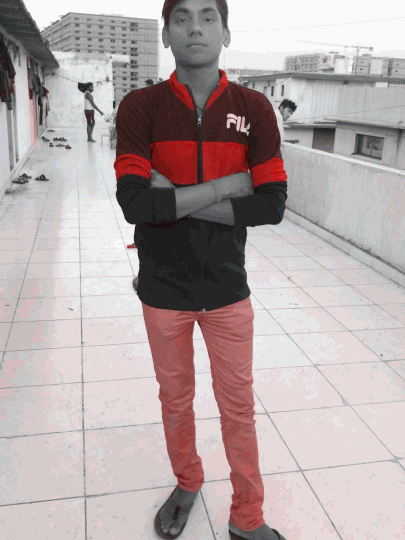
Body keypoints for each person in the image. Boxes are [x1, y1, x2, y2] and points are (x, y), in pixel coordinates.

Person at [114, 1, 288, 539]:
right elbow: (135, 203)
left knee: (239, 407)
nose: (195, 28)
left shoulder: (254, 108)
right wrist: (225, 187)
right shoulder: (140, 107)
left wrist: (175, 195)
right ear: (167, 34)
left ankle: (247, 517)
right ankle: (187, 481)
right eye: (182, 18)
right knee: (175, 401)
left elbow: (271, 205)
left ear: (226, 32)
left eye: (208, 17)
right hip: (162, 290)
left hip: (227, 289)